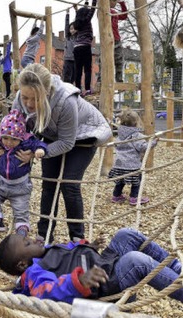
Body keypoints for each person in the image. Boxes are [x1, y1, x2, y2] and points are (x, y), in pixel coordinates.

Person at [0, 228, 183, 312]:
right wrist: (80, 281)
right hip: (101, 285)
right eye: (27, 244)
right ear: (21, 265)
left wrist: (85, 246)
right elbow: (48, 292)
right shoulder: (34, 274)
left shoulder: (46, 251)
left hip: (103, 263)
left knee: (125, 234)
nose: (35, 239)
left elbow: (68, 251)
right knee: (135, 260)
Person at [12, 64, 112, 243]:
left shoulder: (66, 101)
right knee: (49, 184)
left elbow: (67, 142)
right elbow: (15, 129)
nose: (28, 104)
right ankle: (45, 234)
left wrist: (35, 153)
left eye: (35, 99)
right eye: (26, 97)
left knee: (68, 183)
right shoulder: (21, 98)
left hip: (84, 134)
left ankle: (77, 237)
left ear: (47, 92)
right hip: (51, 134)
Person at [109, 109, 158, 205]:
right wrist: (153, 142)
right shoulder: (136, 135)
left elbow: (117, 145)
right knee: (136, 182)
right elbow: (143, 147)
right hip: (132, 165)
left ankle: (116, 196)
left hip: (118, 164)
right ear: (136, 122)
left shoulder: (119, 134)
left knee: (120, 181)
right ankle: (134, 198)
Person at [73, 0, 97, 95]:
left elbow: (83, 11)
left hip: (77, 48)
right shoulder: (87, 20)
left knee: (78, 69)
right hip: (85, 47)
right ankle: (87, 89)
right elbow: (92, 9)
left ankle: (78, 89)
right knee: (87, 69)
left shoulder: (77, 22)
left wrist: (86, 0)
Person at [109, 0, 129, 83]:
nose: (115, 3)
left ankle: (119, 79)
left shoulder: (114, 12)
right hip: (108, 39)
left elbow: (124, 16)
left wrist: (122, 4)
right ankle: (102, 79)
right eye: (113, 0)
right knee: (106, 60)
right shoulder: (104, 10)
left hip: (117, 39)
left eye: (116, 1)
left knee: (120, 60)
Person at [62, 7, 77, 84]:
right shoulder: (68, 37)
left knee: (74, 77)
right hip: (68, 59)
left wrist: (76, 10)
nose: (72, 30)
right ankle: (65, 89)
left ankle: (71, 89)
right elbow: (66, 25)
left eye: (74, 28)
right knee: (67, 77)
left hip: (76, 60)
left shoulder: (78, 37)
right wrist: (67, 14)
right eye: (71, 29)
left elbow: (79, 21)